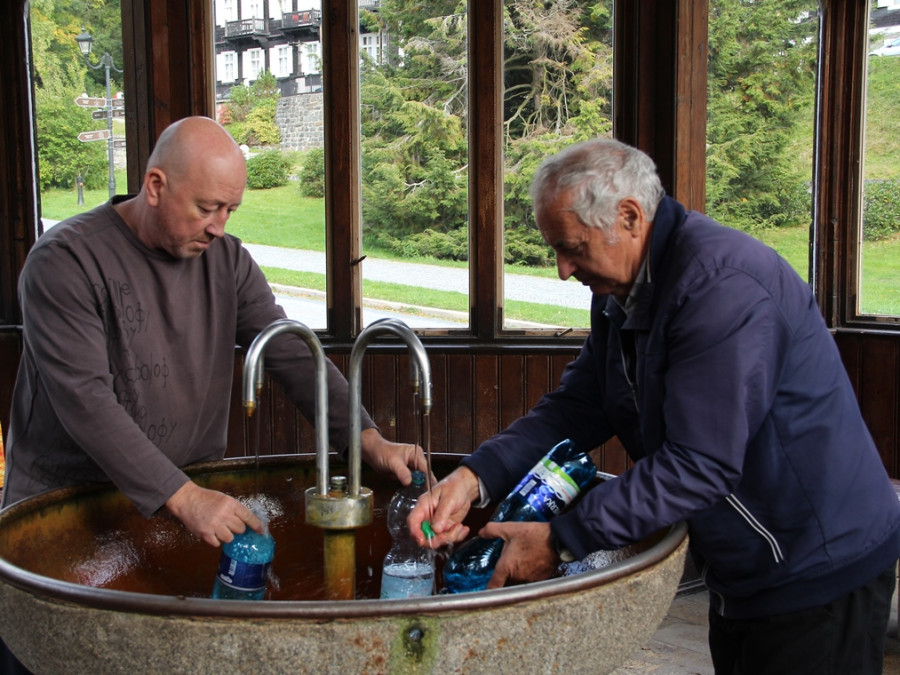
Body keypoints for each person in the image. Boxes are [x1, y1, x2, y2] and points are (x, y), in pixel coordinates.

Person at [410, 138, 900, 673]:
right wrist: (474, 477)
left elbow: (699, 464)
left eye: (572, 247)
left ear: (629, 216)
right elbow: (579, 403)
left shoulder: (719, 289)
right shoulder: (622, 291)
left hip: (815, 562)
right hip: (748, 560)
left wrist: (562, 540)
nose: (562, 271)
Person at [3, 116, 426, 548]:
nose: (218, 227)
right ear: (154, 186)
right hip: (64, 512)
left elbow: (294, 355)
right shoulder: (65, 262)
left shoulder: (227, 261)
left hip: (179, 508)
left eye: (229, 210)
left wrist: (366, 439)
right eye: (205, 209)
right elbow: (85, 401)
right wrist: (183, 496)